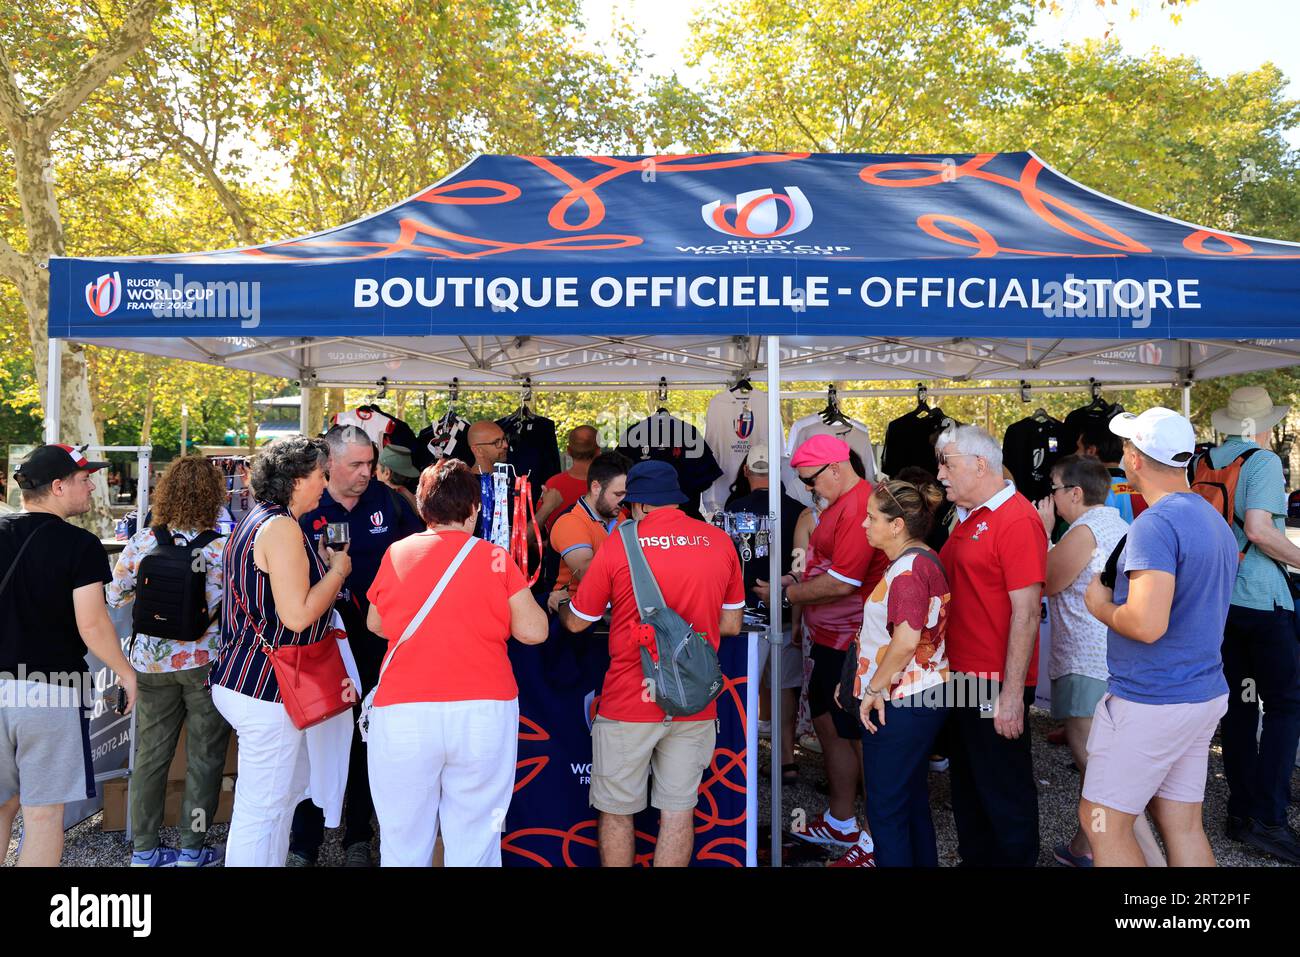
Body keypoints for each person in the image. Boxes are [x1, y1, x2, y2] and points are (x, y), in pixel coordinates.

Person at [559, 461, 745, 867]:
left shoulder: (618, 544)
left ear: (638, 505)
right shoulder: (719, 541)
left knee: (617, 811)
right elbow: (731, 624)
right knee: (678, 811)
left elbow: (577, 622)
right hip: (693, 700)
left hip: (629, 698)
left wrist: (558, 604)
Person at [365, 459, 548, 866]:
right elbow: (534, 631)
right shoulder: (496, 558)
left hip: (405, 708)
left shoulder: (397, 553)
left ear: (422, 507)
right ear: (474, 507)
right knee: (477, 835)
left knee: (402, 836)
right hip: (484, 706)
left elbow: (376, 624)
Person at [1081, 408, 1237, 867]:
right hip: (1198, 692)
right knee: (1183, 824)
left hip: (1153, 699)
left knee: (1101, 820)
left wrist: (1099, 606)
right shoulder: (1211, 519)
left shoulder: (1156, 523)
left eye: (1128, 447)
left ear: (1135, 458)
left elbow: (1148, 625)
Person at [209, 436, 353, 868]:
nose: (325, 483)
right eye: (320, 474)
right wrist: (339, 572)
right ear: (295, 479)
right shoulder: (282, 527)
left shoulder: (257, 520)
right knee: (264, 810)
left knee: (275, 803)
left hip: (248, 677)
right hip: (268, 686)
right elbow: (297, 615)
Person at [287, 424, 422, 867]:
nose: (367, 473)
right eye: (356, 465)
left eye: (371, 463)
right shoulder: (305, 503)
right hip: (316, 637)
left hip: (373, 638)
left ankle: (358, 837)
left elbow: (421, 556)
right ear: (329, 464)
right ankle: (303, 842)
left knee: (367, 734)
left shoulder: (388, 501)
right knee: (316, 735)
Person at [753, 435, 887, 863]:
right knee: (832, 732)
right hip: (828, 639)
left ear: (834, 468)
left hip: (854, 643)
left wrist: (787, 598)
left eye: (810, 480)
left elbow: (844, 581)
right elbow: (822, 569)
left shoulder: (863, 504)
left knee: (863, 739)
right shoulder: (837, 505)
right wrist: (790, 588)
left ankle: (874, 836)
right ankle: (841, 820)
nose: (808, 489)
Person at [1, 444, 137, 867]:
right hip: (50, 692)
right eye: (83, 478)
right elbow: (92, 625)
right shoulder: (80, 544)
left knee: (2, 806)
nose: (92, 485)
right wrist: (126, 673)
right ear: (58, 487)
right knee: (43, 817)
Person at [1034, 454, 1161, 867]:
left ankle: (1148, 859)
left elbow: (1048, 581)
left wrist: (1044, 531)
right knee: (1103, 765)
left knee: (1100, 772)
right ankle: (1082, 847)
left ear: (1074, 492)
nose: (1049, 498)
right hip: (1114, 660)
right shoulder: (1122, 525)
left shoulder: (1084, 530)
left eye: (1053, 489)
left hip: (1082, 661)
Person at [107, 455, 232, 868]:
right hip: (205, 665)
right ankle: (191, 848)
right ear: (214, 495)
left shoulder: (144, 541)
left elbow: (115, 596)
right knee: (204, 758)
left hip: (151, 663)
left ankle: (144, 849)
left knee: (150, 757)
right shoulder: (222, 548)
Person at [935, 424, 1047, 867]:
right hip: (962, 674)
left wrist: (1011, 697)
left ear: (981, 465)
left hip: (992, 680)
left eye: (948, 463)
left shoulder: (1016, 519)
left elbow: (1027, 612)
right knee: (968, 780)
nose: (941, 473)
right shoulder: (967, 514)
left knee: (1002, 784)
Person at [1205, 387, 1300, 862]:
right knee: (1285, 704)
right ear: (1261, 424)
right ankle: (1269, 817)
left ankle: (1241, 811)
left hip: (1222, 603)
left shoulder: (1207, 461)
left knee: (1241, 704)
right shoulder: (1261, 462)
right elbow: (1261, 530)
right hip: (1262, 601)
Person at [848, 480, 951, 867]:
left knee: (887, 811)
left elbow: (906, 641)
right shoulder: (924, 557)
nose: (864, 524)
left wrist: (873, 688)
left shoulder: (907, 571)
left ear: (896, 525)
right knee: (910, 802)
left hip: (901, 700)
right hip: (923, 695)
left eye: (871, 517)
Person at [725, 445, 803, 787]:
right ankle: (787, 760)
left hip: (745, 617)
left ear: (746, 471)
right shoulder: (799, 510)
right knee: (783, 688)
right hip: (787, 612)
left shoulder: (733, 508)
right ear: (779, 472)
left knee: (745, 691)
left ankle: (740, 759)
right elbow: (805, 567)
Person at [545, 452, 629, 614]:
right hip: (573, 614)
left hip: (612, 609)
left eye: (627, 495)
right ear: (596, 487)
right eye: (618, 494)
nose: (623, 501)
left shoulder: (620, 517)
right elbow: (590, 576)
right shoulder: (570, 522)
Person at [536, 425, 601, 533]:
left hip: (558, 547)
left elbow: (539, 522)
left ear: (568, 450)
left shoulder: (553, 484)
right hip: (601, 547)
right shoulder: (608, 484)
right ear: (598, 451)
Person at [1078, 421, 1146, 522]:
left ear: (1091, 451)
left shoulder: (1090, 489)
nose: (1075, 454)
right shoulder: (1144, 485)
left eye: (1078, 448)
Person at [467, 420, 510, 541]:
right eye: (497, 442)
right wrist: (547, 508)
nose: (505, 445)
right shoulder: (465, 487)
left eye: (504, 439)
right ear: (478, 450)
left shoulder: (507, 479)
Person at [375, 442, 421, 516]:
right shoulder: (413, 498)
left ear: (387, 473)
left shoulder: (383, 501)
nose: (375, 472)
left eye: (377, 468)